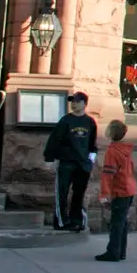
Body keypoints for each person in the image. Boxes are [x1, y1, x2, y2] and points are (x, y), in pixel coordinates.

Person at [43, 92, 98, 232]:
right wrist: (50, 158)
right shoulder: (66, 120)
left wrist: (91, 161)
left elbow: (92, 144)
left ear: (84, 104)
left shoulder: (90, 122)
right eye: (72, 101)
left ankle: (76, 220)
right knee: (62, 192)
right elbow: (55, 139)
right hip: (67, 162)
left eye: (77, 101)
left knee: (79, 193)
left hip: (83, 163)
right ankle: (61, 221)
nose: (73, 104)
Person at [93, 121, 136, 262]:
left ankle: (113, 252)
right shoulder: (126, 150)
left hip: (120, 190)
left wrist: (104, 194)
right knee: (122, 222)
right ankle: (120, 251)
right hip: (129, 188)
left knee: (116, 223)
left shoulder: (112, 151)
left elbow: (108, 175)